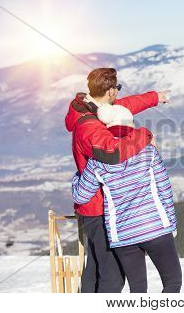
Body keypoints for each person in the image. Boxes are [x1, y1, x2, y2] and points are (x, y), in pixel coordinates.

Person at [64, 67, 170, 292]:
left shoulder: (93, 108)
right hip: (100, 209)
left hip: (96, 206)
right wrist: (144, 136)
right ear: (111, 91)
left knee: (95, 270)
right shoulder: (90, 126)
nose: (118, 95)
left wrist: (155, 98)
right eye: (117, 89)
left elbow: (125, 107)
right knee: (112, 277)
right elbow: (112, 152)